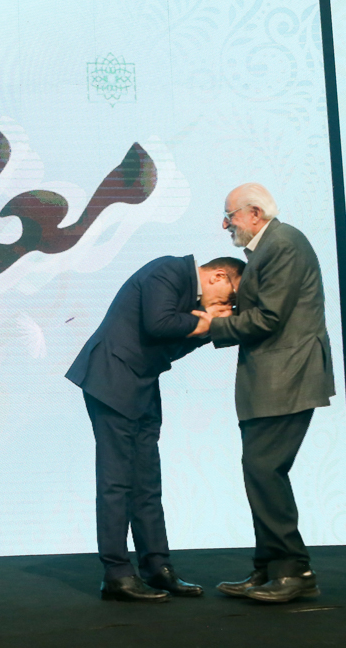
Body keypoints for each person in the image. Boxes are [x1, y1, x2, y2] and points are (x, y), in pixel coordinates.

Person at [66, 255, 243, 602]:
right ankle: (116, 573)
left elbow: (171, 346)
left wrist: (206, 327)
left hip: (143, 384)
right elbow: (159, 325)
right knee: (117, 481)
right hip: (112, 378)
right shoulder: (170, 270)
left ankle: (157, 566)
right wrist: (206, 320)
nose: (228, 305)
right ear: (219, 276)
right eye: (231, 297)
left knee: (147, 482)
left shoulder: (191, 302)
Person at [211, 182, 335, 603]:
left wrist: (210, 325)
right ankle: (268, 568)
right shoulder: (269, 247)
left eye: (230, 215)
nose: (225, 224)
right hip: (272, 378)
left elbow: (268, 317)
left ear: (254, 214)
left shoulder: (282, 244)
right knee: (259, 470)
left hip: (288, 376)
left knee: (264, 470)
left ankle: (294, 570)